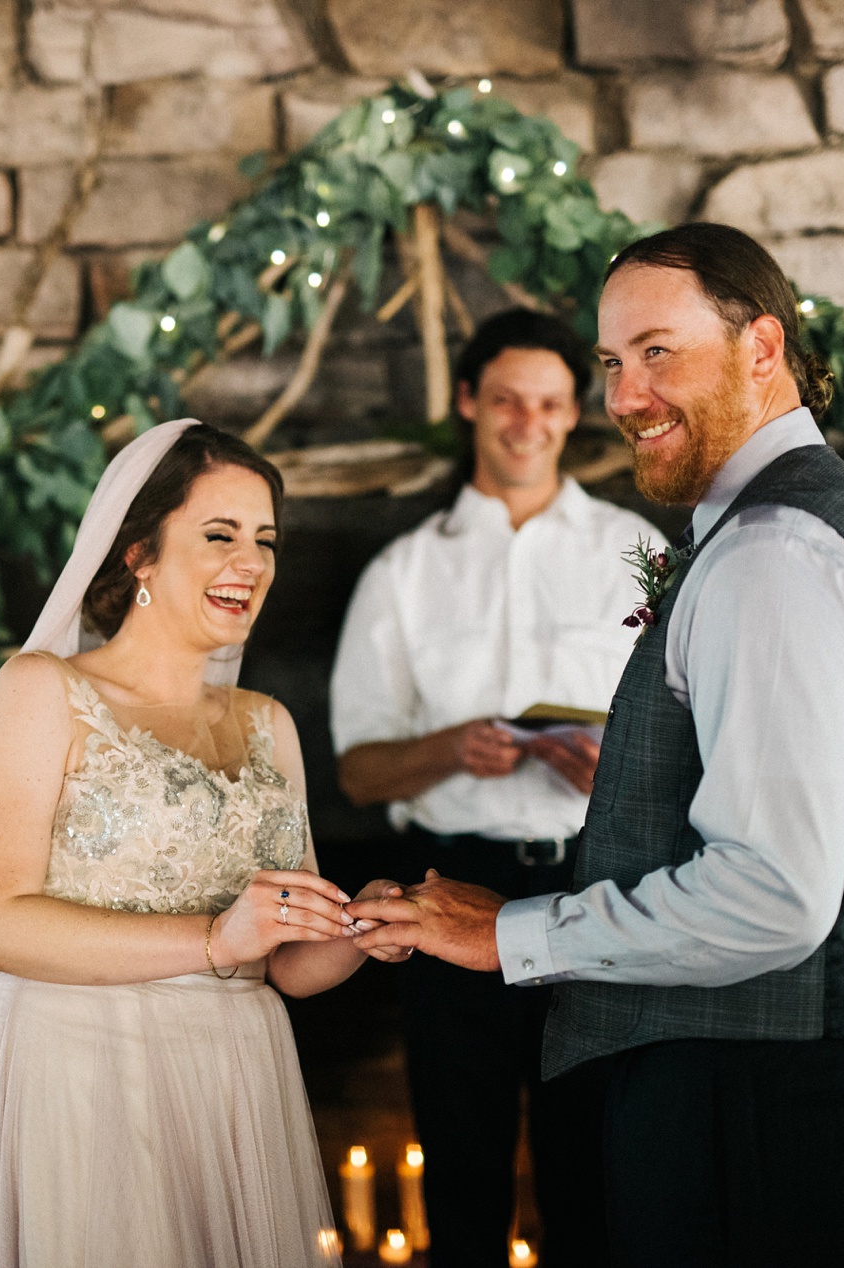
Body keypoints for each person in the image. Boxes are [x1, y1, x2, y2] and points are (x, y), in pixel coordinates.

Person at [350, 223, 844, 1267]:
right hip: (760, 1079)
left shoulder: (772, 554)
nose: (625, 397)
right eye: (614, 364)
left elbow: (773, 894)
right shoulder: (761, 530)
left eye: (656, 351)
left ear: (761, 347)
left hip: (770, 1098)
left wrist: (512, 935)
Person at [0, 419, 399, 1268]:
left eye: (265, 541)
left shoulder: (269, 725)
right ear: (138, 552)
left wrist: (365, 930)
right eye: (219, 535)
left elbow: (286, 963)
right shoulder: (41, 692)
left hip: (232, 1082)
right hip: (74, 1073)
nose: (250, 563)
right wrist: (217, 939)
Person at [328, 308, 661, 1265]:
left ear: (573, 414)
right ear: (471, 402)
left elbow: (698, 737)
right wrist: (442, 750)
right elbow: (355, 768)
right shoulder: (403, 572)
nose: (529, 422)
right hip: (447, 888)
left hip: (597, 889)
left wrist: (622, 776)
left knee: (589, 1177)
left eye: (551, 403)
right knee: (463, 1182)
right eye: (509, 400)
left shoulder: (634, 555)